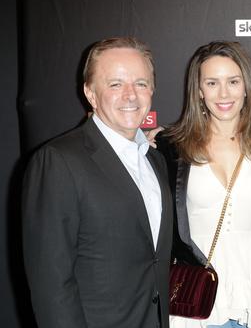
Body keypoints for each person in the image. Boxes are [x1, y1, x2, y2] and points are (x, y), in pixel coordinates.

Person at [22, 37, 173, 328]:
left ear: (152, 90)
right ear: (90, 93)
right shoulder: (58, 161)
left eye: (141, 83)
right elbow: (51, 284)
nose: (130, 95)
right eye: (115, 84)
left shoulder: (156, 161)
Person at [155, 41, 251, 328]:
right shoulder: (172, 148)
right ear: (199, 91)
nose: (224, 93)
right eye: (212, 82)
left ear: (246, 86)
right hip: (198, 301)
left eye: (233, 81)